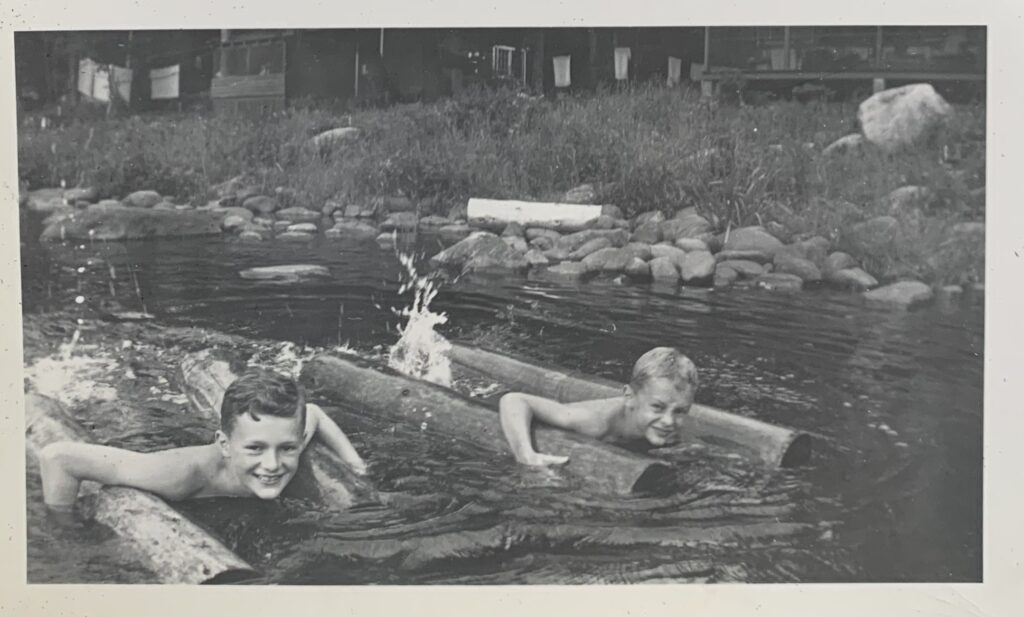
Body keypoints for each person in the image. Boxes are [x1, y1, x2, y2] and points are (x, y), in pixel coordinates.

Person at [38, 369, 367, 512]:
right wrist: (64, 529)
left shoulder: (286, 429)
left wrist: (356, 465)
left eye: (287, 449)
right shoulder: (179, 475)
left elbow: (314, 413)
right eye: (254, 448)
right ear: (224, 445)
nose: (272, 464)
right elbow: (57, 457)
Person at [499, 347, 698, 466]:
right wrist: (526, 455)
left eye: (680, 411)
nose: (669, 421)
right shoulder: (594, 422)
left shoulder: (673, 424)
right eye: (657, 407)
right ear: (629, 397)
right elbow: (514, 400)